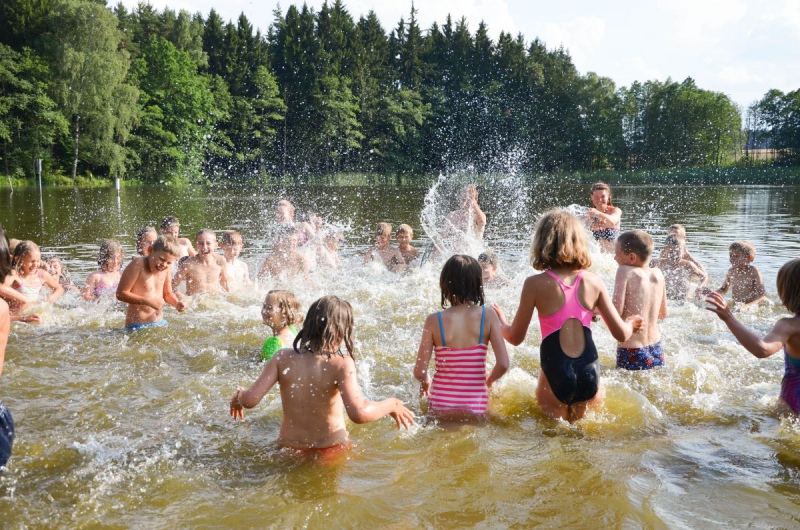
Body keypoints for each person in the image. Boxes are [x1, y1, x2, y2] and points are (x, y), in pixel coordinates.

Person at [492, 209, 642, 423]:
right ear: (579, 242)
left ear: (542, 242)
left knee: (553, 436)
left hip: (555, 373)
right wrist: (631, 323)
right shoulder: (594, 281)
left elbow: (515, 338)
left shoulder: (534, 284)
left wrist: (500, 323)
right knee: (583, 436)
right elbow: (621, 334)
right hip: (590, 373)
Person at [230, 295, 415, 452]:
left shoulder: (282, 358)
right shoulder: (341, 363)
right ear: (342, 332)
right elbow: (358, 413)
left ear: (308, 325)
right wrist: (392, 404)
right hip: (329, 450)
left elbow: (250, 400)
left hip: (289, 449)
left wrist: (239, 396)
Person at [413, 255, 509, 419]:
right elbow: (503, 364)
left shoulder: (434, 320)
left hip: (440, 405)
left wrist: (426, 382)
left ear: (445, 284)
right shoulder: (488, 315)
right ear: (477, 284)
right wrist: (489, 382)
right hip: (476, 406)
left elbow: (419, 371)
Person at [706, 258, 800, 412]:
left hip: (793, 401)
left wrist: (728, 318)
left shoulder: (789, 326)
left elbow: (762, 349)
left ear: (787, 292)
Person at [612, 230, 668, 370]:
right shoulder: (658, 273)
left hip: (632, 349)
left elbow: (616, 310)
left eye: (617, 254)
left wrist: (595, 310)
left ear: (632, 257)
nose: (614, 258)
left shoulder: (625, 271)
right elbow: (662, 314)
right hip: (656, 347)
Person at [116, 235, 186, 330]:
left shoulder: (167, 269)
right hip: (137, 326)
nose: (164, 264)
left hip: (160, 322)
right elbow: (121, 294)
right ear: (150, 250)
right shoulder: (138, 264)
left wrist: (176, 303)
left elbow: (167, 294)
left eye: (169, 262)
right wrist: (148, 301)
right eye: (161, 259)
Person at [172, 229, 229, 296]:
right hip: (194, 300)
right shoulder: (189, 264)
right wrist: (182, 297)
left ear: (216, 245)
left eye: (208, 243)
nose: (204, 247)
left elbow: (224, 283)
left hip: (214, 298)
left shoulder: (220, 261)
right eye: (201, 243)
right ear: (196, 245)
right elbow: (172, 286)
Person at [651, 235, 707, 301]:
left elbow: (704, 276)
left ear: (683, 252)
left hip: (683, 300)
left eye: (677, 252)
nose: (674, 255)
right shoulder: (658, 263)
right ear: (665, 251)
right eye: (671, 252)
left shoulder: (688, 265)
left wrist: (699, 287)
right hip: (666, 299)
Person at [712, 241, 766, 308]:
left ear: (750, 258)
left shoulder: (753, 272)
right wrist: (712, 294)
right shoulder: (731, 271)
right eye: (730, 255)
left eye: (736, 256)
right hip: (736, 305)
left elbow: (762, 296)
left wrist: (746, 306)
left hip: (750, 307)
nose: (732, 259)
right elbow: (723, 289)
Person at [0, 229, 39, 323]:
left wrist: (49, 299)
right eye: (32, 261)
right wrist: (24, 300)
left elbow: (59, 288)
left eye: (38, 261)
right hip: (14, 316)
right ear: (19, 260)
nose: (35, 264)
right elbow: (1, 287)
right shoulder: (14, 274)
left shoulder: (40, 274)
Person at [260, 290, 304, 362]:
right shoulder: (292, 330)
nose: (263, 311)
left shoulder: (273, 343)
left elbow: (264, 366)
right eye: (264, 306)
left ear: (285, 313)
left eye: (269, 308)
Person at [442, 184, 487, 254]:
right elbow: (441, 237)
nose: (465, 203)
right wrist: (432, 259)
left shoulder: (477, 216)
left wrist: (473, 201)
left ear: (475, 201)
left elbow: (482, 222)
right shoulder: (452, 216)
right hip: (456, 255)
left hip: (473, 256)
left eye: (468, 200)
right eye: (463, 200)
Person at [587, 182, 622, 252]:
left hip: (612, 257)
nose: (600, 200)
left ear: (608, 197)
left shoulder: (615, 211)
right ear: (591, 197)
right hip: (595, 257)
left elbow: (612, 221)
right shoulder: (587, 215)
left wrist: (597, 213)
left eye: (603, 196)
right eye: (596, 197)